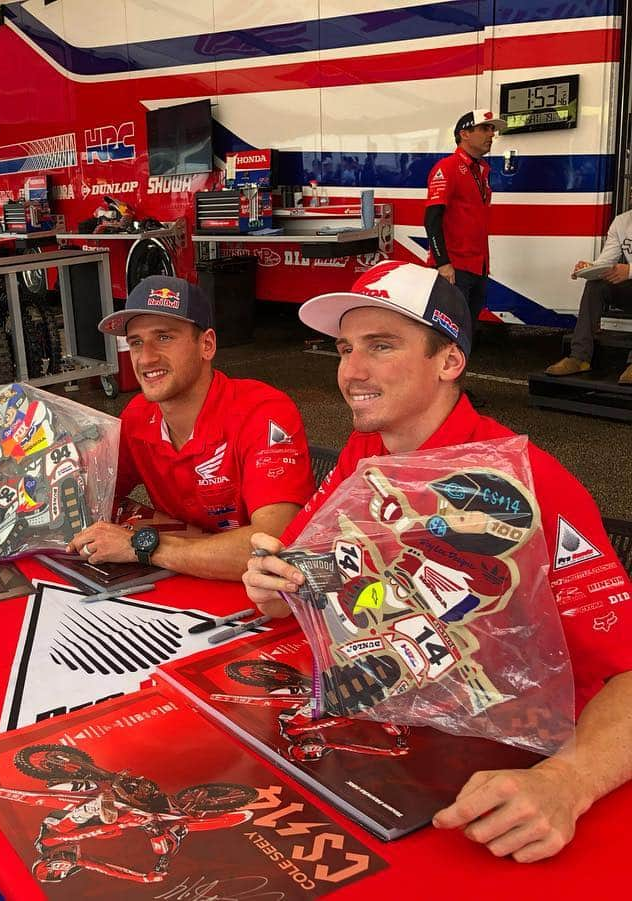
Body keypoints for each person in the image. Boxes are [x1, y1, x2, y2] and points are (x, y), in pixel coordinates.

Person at [244, 259, 632, 864]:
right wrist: (279, 581)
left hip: (521, 762)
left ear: (450, 362)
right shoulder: (367, 448)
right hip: (400, 723)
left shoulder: (527, 485)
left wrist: (570, 781)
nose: (352, 373)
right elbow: (305, 563)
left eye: (382, 346)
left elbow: (628, 676)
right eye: (346, 349)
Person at [68, 276, 314, 581]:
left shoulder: (263, 411)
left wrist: (142, 546)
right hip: (178, 589)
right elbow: (85, 494)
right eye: (135, 342)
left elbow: (274, 544)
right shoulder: (138, 416)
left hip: (259, 598)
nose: (146, 357)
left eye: (164, 337)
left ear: (207, 345)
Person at [425, 109, 506, 324]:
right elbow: (432, 218)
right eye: (484, 129)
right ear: (465, 134)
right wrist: (442, 263)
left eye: (492, 130)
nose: (491, 135)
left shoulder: (482, 170)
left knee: (467, 331)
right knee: (449, 332)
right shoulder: (448, 167)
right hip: (455, 266)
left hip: (478, 265)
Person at [545, 209, 632, 385]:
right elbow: (605, 263)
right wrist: (589, 269)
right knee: (595, 285)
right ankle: (579, 357)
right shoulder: (622, 222)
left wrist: (629, 271)